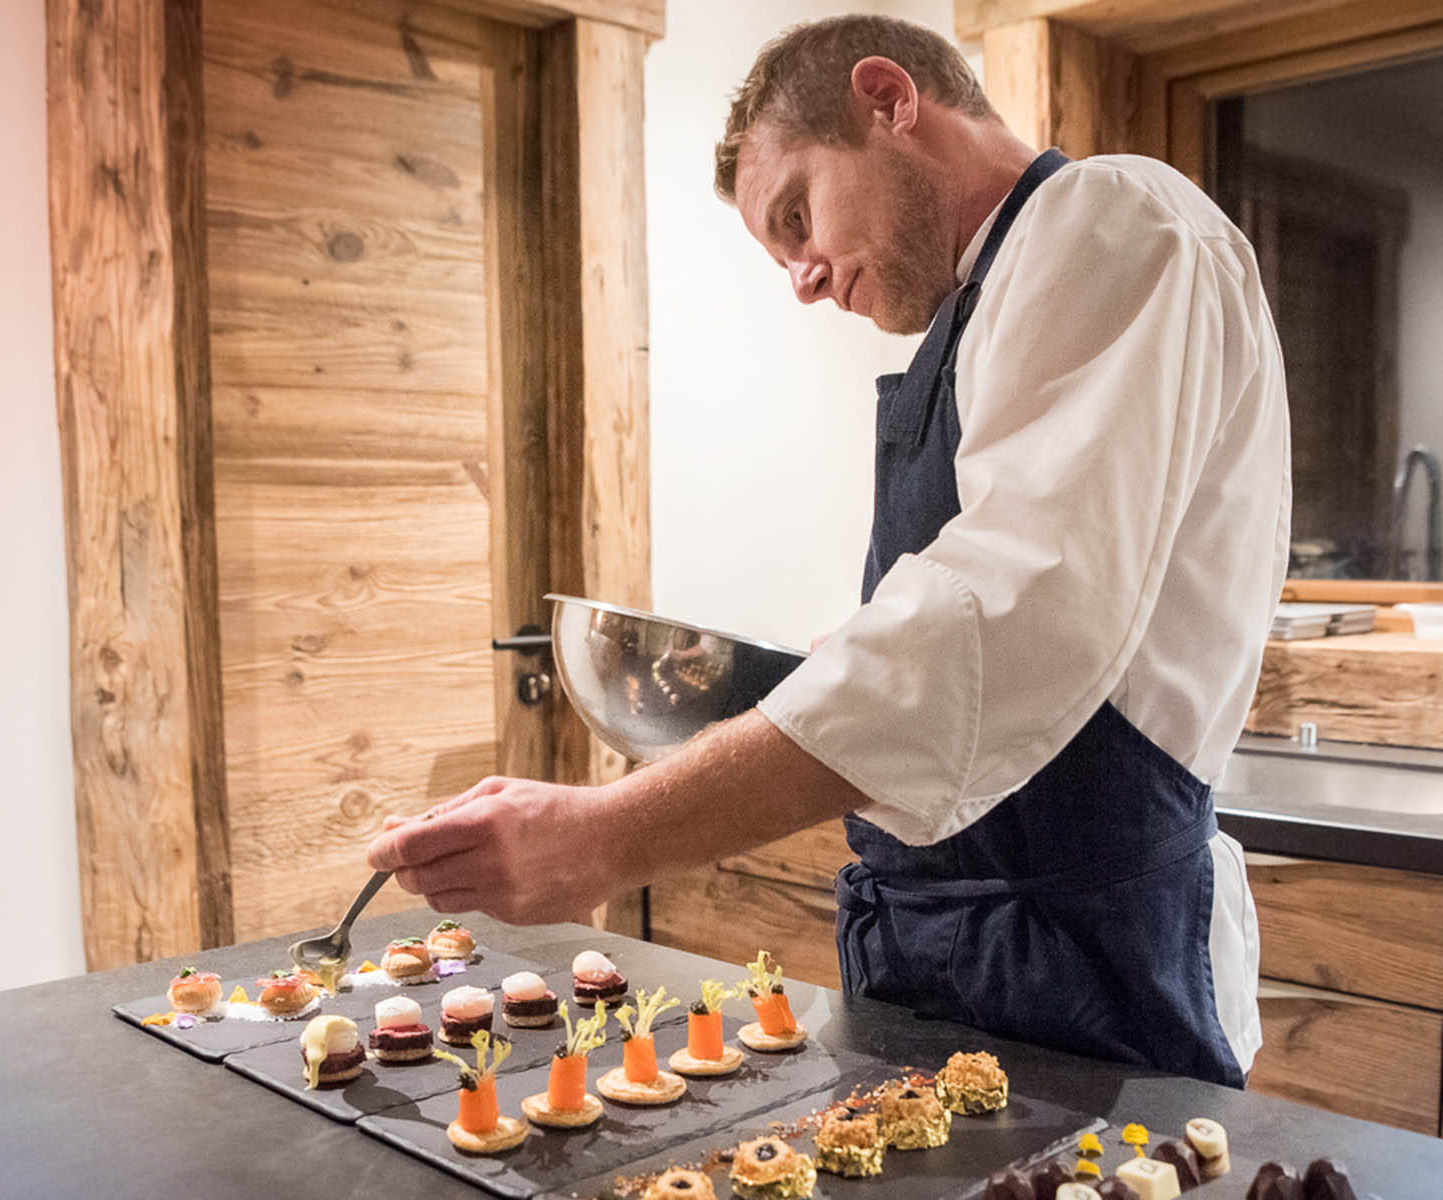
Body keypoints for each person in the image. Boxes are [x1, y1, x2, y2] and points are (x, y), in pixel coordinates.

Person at [368, 14, 1289, 1087]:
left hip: (1084, 960)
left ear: (890, 100)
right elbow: (972, 609)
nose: (802, 279)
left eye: (798, 214)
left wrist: (605, 835)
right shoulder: (981, 309)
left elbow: (1007, 617)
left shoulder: (1112, 220)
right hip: (944, 944)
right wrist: (839, 660)